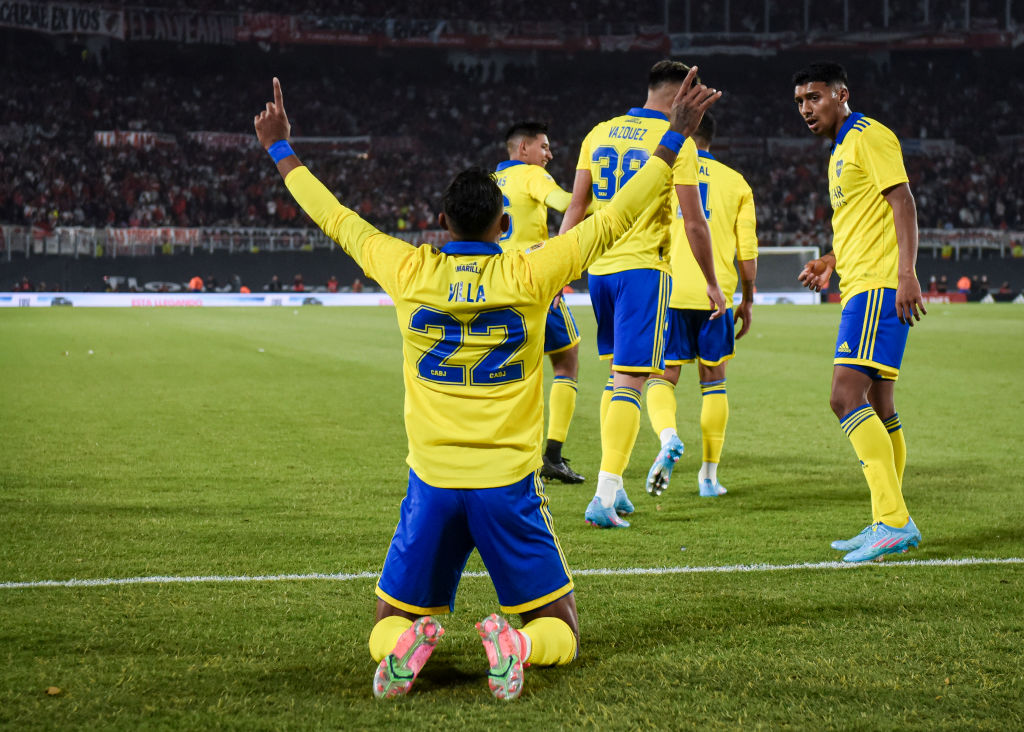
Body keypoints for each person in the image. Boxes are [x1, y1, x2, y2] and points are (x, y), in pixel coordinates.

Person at [254, 73, 718, 699]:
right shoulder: (530, 271)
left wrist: (281, 147)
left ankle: (405, 648)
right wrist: (675, 138)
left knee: (384, 625)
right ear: (504, 221)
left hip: (433, 482)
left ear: (441, 219)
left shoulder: (408, 267)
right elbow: (614, 219)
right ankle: (518, 644)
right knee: (563, 629)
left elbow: (335, 217)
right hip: (508, 484)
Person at [560, 60, 724, 528]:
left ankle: (618, 486)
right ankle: (604, 497)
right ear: (681, 96)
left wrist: (560, 268)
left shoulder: (601, 132)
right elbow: (694, 222)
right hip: (643, 272)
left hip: (599, 269)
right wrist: (712, 282)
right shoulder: (679, 142)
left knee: (616, 378)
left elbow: (577, 206)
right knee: (632, 381)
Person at [793, 61, 926, 563]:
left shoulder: (868, 135)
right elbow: (860, 220)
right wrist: (829, 260)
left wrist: (906, 274)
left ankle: (893, 520)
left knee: (844, 397)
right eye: (801, 101)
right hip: (860, 282)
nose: (807, 108)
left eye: (815, 97)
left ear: (842, 94)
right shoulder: (839, 152)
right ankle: (885, 518)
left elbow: (903, 201)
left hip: (877, 287)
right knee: (881, 404)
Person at [643, 112, 758, 499]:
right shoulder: (736, 182)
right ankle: (708, 477)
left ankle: (669, 436)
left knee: (662, 377)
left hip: (669, 291)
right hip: (717, 294)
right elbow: (748, 254)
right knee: (714, 381)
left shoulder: (662, 171)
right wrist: (747, 298)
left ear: (687, 133)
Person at [495, 121, 586, 484]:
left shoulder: (490, 180)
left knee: (510, 367)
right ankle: (551, 455)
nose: (549, 155)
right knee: (567, 358)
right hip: (532, 280)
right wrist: (602, 194)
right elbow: (568, 203)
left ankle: (502, 454)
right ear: (523, 150)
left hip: (496, 282)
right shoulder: (531, 176)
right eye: (544, 147)